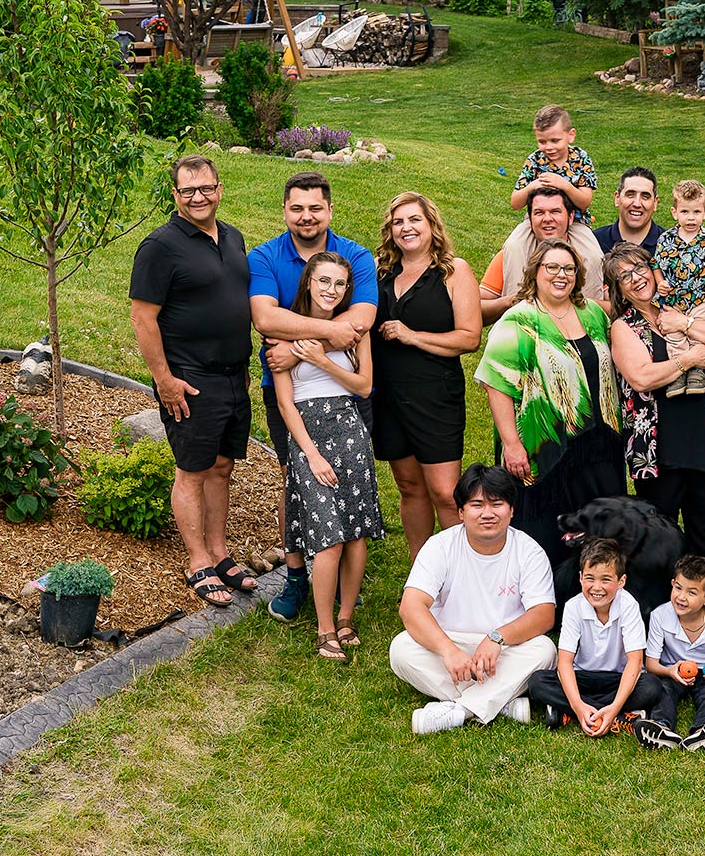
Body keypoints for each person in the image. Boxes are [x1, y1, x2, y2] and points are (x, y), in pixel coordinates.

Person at [248, 171, 379, 623]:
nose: (306, 216)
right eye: (297, 208)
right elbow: (265, 317)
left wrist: (299, 346)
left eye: (315, 208)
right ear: (285, 210)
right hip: (289, 392)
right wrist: (328, 335)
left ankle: (343, 580)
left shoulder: (356, 257)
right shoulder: (265, 255)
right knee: (295, 480)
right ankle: (297, 575)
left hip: (343, 395)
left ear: (329, 210)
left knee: (346, 484)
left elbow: (360, 320)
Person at [129, 154, 253, 608]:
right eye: (189, 191)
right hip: (191, 380)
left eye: (206, 188)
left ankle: (219, 552)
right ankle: (197, 559)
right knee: (193, 470)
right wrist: (164, 380)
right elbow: (143, 318)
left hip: (234, 375)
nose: (199, 197)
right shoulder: (159, 247)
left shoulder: (233, 236)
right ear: (176, 195)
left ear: (219, 189)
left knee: (223, 466)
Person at [476, 239, 625, 568]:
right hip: (546, 448)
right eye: (552, 267)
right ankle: (546, 610)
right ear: (535, 272)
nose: (562, 275)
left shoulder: (591, 314)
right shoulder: (519, 320)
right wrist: (512, 445)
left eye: (569, 269)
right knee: (547, 538)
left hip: (599, 446)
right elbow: (496, 384)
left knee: (603, 535)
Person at [390, 464, 557, 734]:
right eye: (477, 505)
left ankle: (458, 710)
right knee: (401, 648)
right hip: (449, 643)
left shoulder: (529, 551)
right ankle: (500, 701)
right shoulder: (440, 546)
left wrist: (496, 637)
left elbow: (543, 614)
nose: (487, 513)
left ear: (512, 511)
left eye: (497, 504)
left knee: (544, 651)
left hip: (504, 650)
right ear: (461, 512)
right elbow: (410, 607)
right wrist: (449, 650)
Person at [272, 253, 381, 661]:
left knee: (355, 533)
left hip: (349, 429)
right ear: (309, 282)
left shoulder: (355, 331)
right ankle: (324, 629)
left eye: (339, 284)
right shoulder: (284, 333)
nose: (331, 290)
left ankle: (346, 617)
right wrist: (311, 454)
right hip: (308, 434)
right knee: (329, 539)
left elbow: (364, 386)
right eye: (323, 281)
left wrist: (320, 360)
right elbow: (285, 406)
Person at [606, 242, 705, 571]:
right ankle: (660, 602)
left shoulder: (680, 307)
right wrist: (689, 357)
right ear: (618, 290)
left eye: (640, 268)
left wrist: (686, 325)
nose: (636, 279)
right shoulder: (624, 327)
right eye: (624, 277)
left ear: (652, 269)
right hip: (659, 446)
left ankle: (704, 600)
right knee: (659, 530)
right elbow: (641, 378)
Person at [371, 192, 482, 562]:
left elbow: (469, 338)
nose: (407, 228)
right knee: (408, 486)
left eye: (415, 220)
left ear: (431, 224)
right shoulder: (380, 272)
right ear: (391, 230)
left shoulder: (454, 271)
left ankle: (461, 575)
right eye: (399, 222)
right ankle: (424, 572)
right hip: (387, 395)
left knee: (444, 492)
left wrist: (411, 335)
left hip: (435, 395)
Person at [527, 538, 663, 736]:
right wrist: (578, 705)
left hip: (618, 677)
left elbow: (635, 661)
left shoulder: (629, 606)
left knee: (651, 686)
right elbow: (564, 662)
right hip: (583, 676)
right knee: (537, 682)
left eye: (606, 579)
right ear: (581, 577)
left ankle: (582, 712)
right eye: (590, 578)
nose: (597, 587)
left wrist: (614, 705)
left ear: (621, 581)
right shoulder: (574, 606)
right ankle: (607, 714)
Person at [502, 104, 604, 309]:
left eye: (555, 140)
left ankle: (588, 309)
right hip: (535, 221)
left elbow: (585, 201)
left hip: (575, 221)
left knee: (593, 256)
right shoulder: (534, 160)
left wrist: (564, 184)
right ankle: (516, 306)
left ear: (571, 135)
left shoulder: (580, 159)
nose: (549, 147)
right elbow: (515, 202)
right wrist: (532, 186)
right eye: (542, 141)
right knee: (513, 247)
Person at [633, 556, 705, 752]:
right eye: (678, 588)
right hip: (672, 670)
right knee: (664, 691)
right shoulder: (660, 616)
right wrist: (670, 671)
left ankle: (704, 731)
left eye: (692, 592)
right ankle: (660, 728)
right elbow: (652, 663)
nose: (681, 597)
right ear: (672, 584)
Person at [651, 179, 705, 397]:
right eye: (685, 212)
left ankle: (696, 373)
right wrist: (660, 283)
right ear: (674, 212)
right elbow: (656, 264)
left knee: (697, 335)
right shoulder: (665, 239)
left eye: (696, 212)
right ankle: (678, 374)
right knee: (674, 336)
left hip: (700, 299)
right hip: (674, 301)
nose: (691, 218)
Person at [479, 187, 606, 322]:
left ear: (570, 217)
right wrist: (510, 301)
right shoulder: (512, 255)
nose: (547, 219)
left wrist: (579, 302)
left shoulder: (590, 257)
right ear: (530, 220)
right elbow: (474, 307)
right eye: (539, 213)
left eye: (555, 212)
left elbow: (615, 307)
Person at [592, 167, 665, 256]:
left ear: (655, 203)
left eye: (645, 197)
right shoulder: (594, 242)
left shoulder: (670, 245)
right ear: (617, 198)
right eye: (630, 195)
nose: (637, 204)